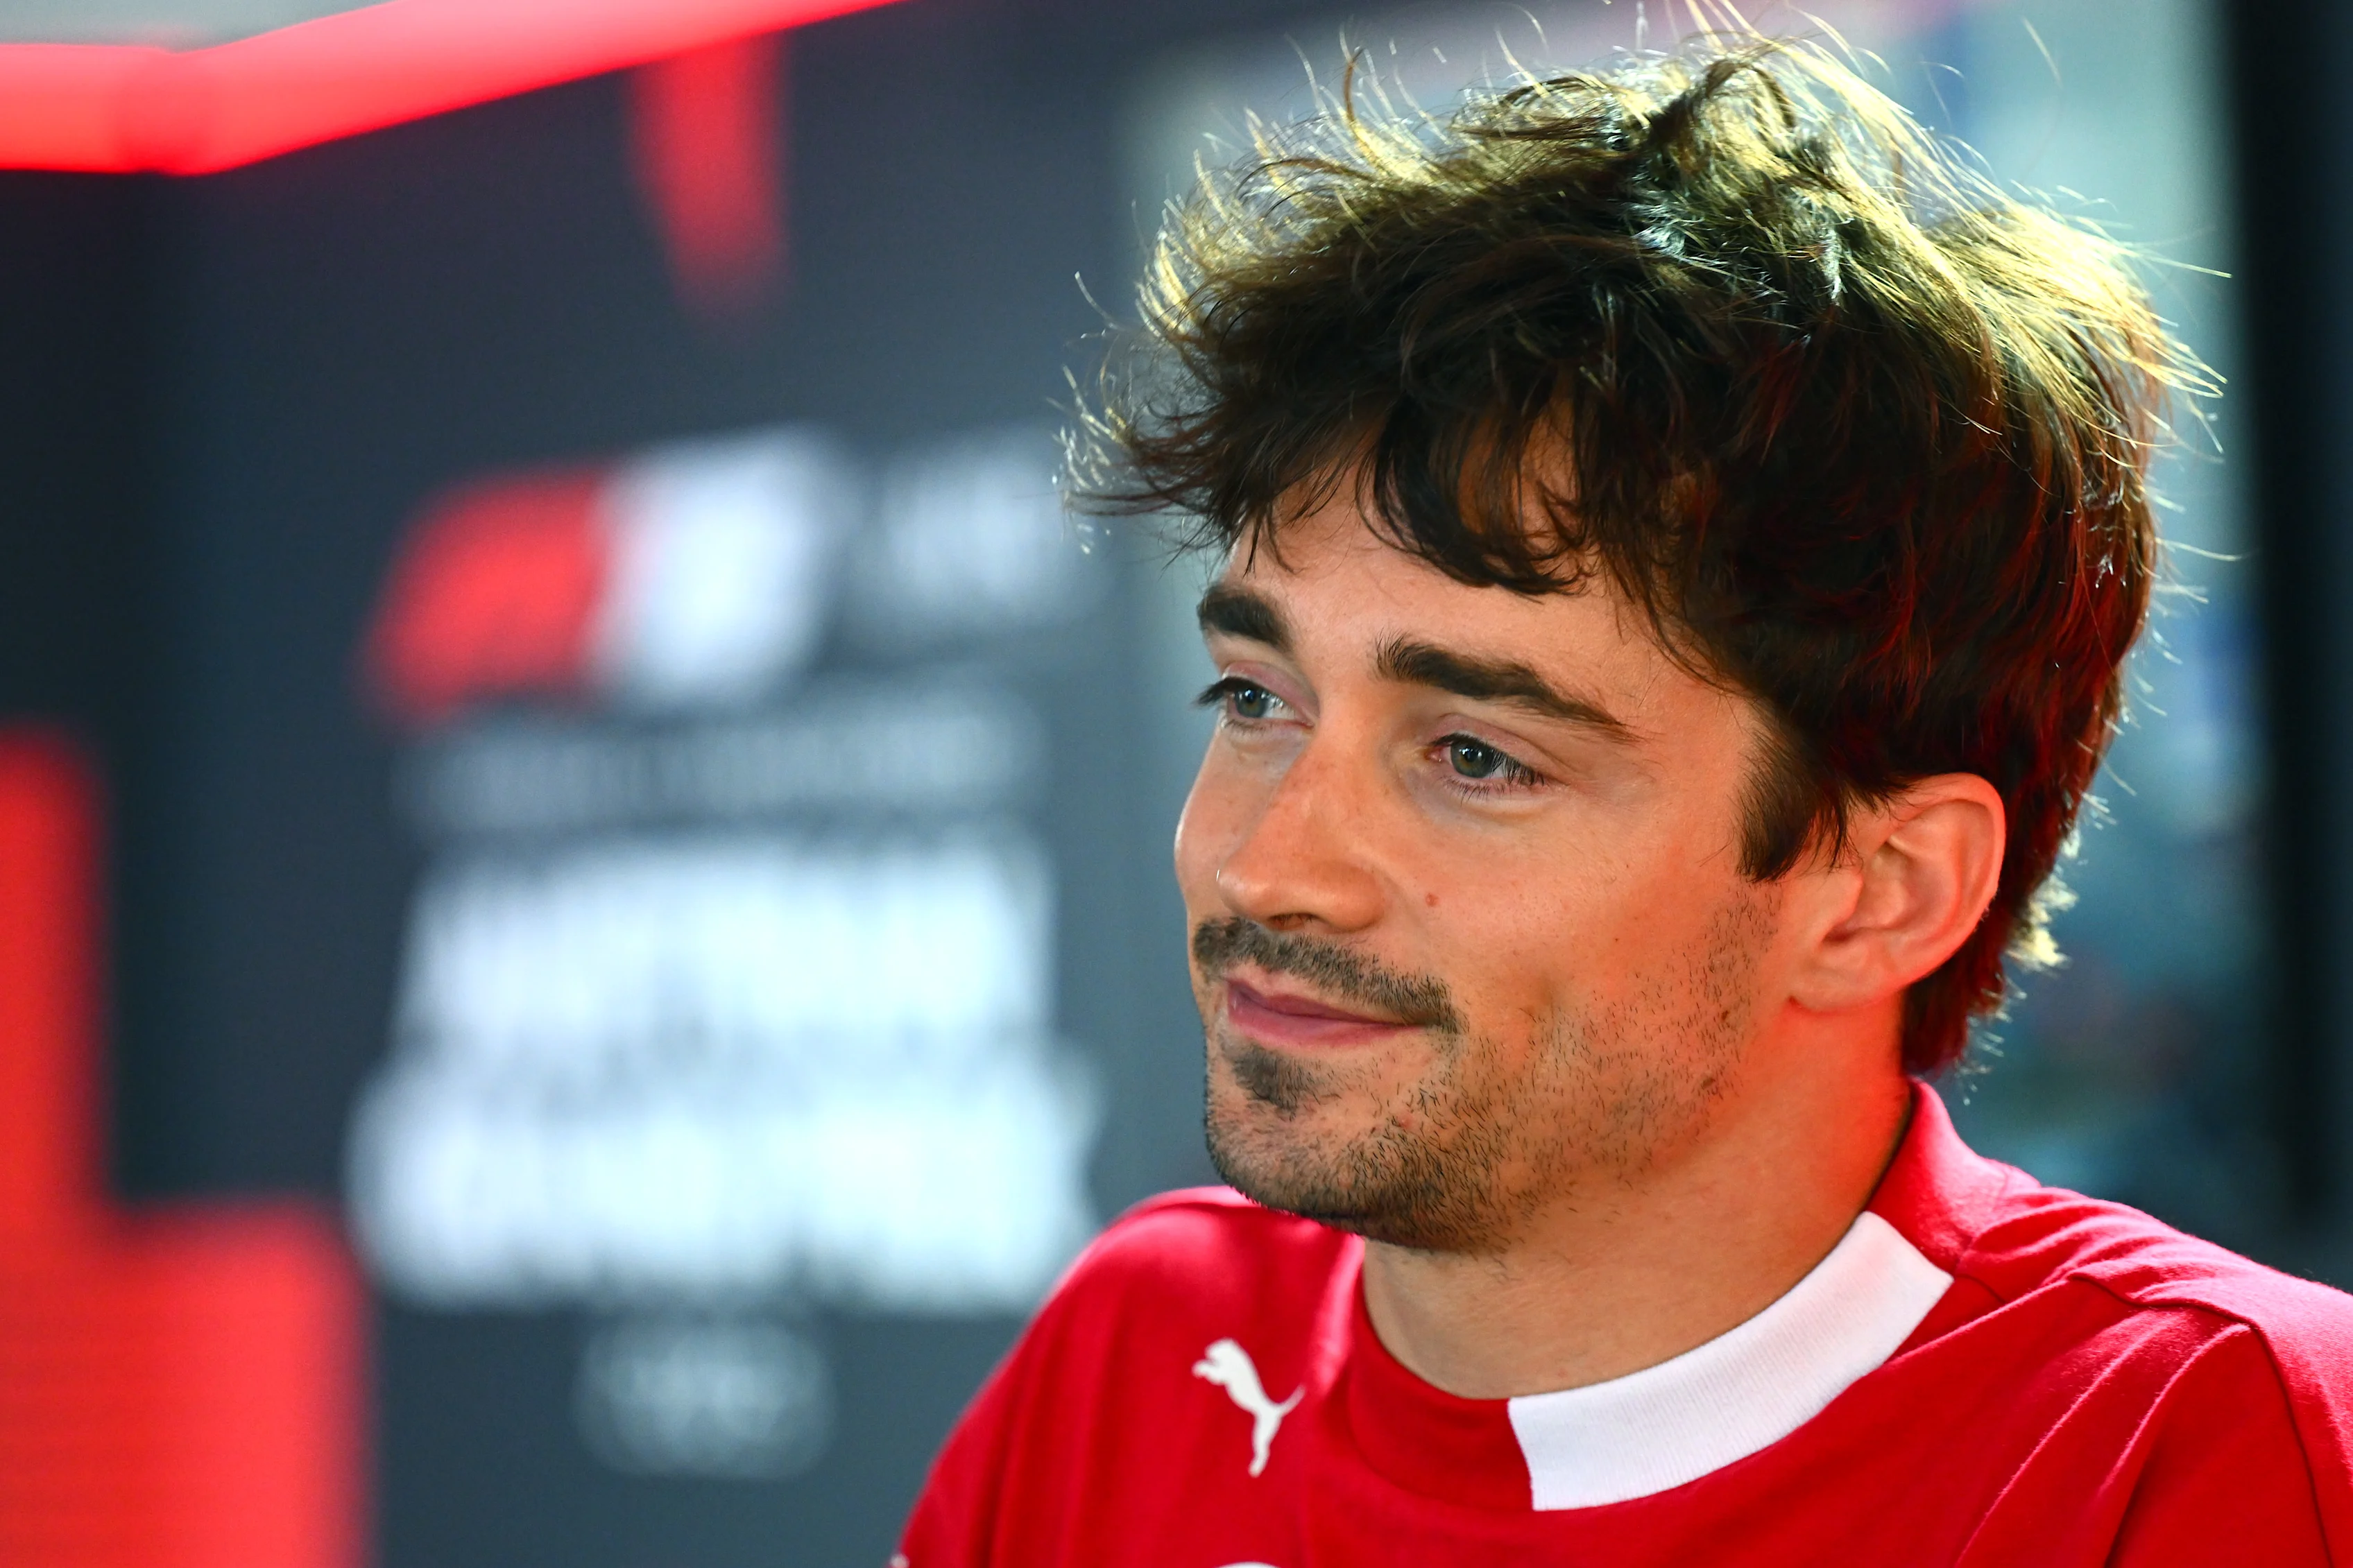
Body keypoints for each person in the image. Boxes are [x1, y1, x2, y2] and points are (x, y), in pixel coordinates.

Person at [896, 31, 2353, 1567]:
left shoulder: (2207, 1436)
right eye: (1259, 699)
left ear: (1881, 887)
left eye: (1476, 754)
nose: (1265, 864)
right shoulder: (1140, 1347)